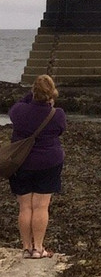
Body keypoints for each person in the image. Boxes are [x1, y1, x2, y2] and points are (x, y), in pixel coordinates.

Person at [7, 74, 66, 259]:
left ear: (33, 92)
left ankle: (26, 248)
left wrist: (30, 96)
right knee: (41, 207)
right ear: (52, 94)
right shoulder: (57, 114)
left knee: (25, 207)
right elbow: (61, 130)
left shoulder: (19, 111)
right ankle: (38, 249)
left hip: (21, 163)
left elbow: (17, 106)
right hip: (48, 163)